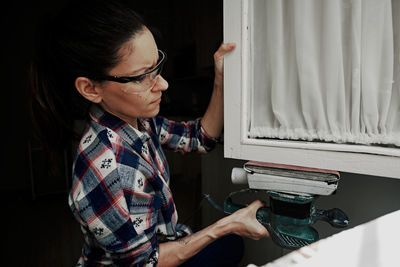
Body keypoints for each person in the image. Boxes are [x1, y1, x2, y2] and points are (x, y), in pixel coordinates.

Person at [29, 0, 269, 266]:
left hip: (164, 246)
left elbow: (199, 138)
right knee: (228, 240)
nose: (163, 84)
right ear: (90, 89)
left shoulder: (138, 120)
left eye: (157, 66)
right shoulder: (107, 170)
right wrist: (226, 225)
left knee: (230, 246)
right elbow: (146, 262)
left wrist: (220, 80)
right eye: (142, 76)